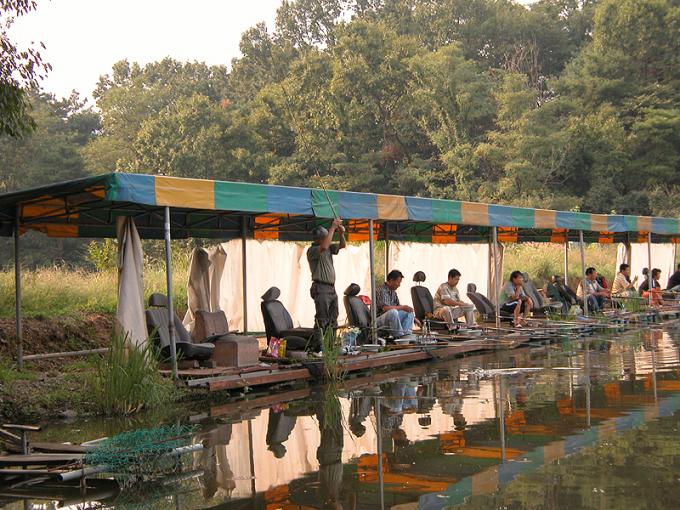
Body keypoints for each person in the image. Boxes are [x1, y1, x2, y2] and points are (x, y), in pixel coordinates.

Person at [307, 219, 346, 345]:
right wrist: (333, 228)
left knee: (333, 318)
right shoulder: (313, 250)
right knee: (322, 318)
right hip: (321, 287)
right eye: (325, 237)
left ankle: (331, 344)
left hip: (331, 288)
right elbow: (324, 246)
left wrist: (341, 234)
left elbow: (342, 245)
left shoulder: (328, 248)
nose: (327, 239)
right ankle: (318, 346)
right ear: (319, 239)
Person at [376, 270, 420, 338]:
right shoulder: (381, 290)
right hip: (377, 321)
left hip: (390, 318)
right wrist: (403, 307)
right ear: (391, 280)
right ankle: (399, 336)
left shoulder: (393, 292)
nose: (399, 285)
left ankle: (406, 336)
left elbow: (399, 307)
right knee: (393, 312)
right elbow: (385, 308)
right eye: (398, 282)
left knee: (409, 312)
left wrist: (413, 317)